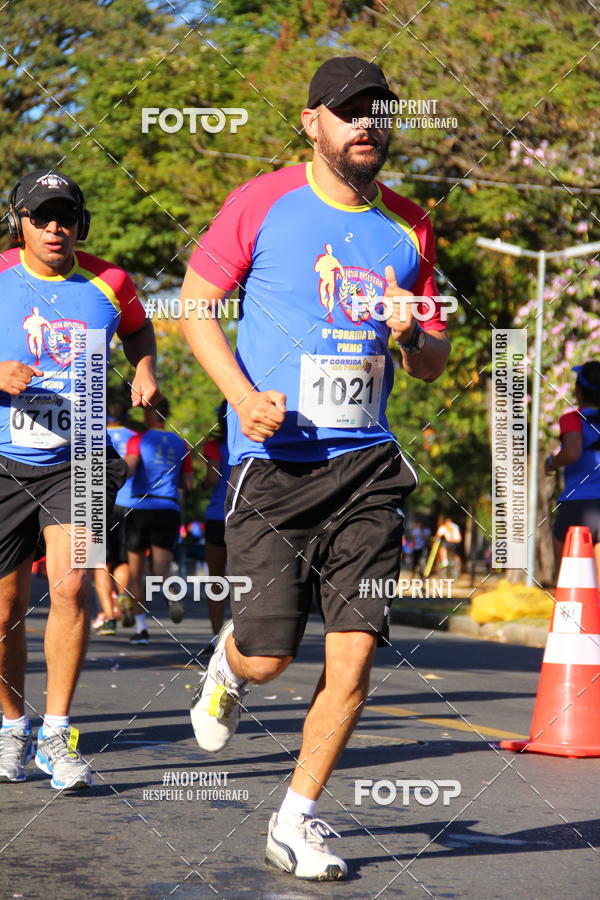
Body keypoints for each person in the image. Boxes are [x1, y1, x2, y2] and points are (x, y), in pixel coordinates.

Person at [181, 56, 450, 880]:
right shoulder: (261, 202)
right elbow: (195, 304)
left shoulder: (409, 227)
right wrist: (239, 394)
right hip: (276, 462)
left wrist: (414, 335)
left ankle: (295, 819)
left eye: (378, 110)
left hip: (368, 467)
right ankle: (230, 665)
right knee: (269, 658)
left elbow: (435, 360)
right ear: (312, 123)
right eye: (347, 110)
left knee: (356, 656)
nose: (365, 123)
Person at [0, 169, 160, 789]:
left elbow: (140, 327)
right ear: (20, 221)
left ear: (79, 222)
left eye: (65, 214)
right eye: (41, 215)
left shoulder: (109, 281)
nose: (54, 226)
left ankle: (57, 735)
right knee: (6, 611)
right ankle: (13, 724)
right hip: (5, 460)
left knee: (69, 592)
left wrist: (144, 368)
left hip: (83, 459)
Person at [124, 398, 194, 642]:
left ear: (150, 415)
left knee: (136, 572)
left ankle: (140, 629)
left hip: (140, 506)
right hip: (168, 508)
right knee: (161, 568)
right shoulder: (181, 443)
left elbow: (129, 468)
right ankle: (172, 594)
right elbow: (188, 483)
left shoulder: (137, 440)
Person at [545, 361, 600, 585]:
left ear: (578, 391)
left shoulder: (572, 419)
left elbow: (573, 451)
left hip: (577, 506)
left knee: (569, 584)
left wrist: (550, 463)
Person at [92, 398, 138, 634]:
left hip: (100, 502)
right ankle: (122, 595)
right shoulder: (134, 437)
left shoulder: (95, 433)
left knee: (100, 561)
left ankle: (109, 616)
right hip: (129, 503)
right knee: (121, 558)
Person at [203, 400, 232, 637]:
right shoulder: (253, 444)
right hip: (245, 518)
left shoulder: (214, 447)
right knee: (245, 579)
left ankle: (216, 637)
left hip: (216, 516)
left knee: (216, 579)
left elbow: (211, 480)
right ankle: (242, 637)